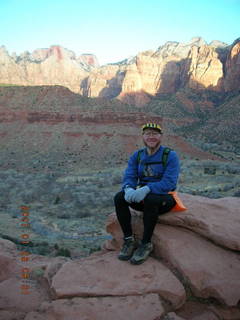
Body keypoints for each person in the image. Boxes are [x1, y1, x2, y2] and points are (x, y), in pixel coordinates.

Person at [114, 123, 180, 265]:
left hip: (165, 198)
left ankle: (146, 244)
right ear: (143, 137)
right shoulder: (137, 156)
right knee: (119, 198)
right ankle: (128, 240)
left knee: (151, 199)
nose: (151, 137)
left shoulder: (170, 155)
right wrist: (128, 188)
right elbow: (129, 176)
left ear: (160, 137)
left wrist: (146, 189)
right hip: (142, 196)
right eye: (148, 134)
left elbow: (169, 182)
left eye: (155, 134)